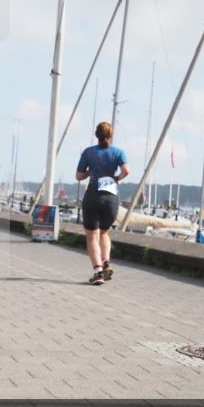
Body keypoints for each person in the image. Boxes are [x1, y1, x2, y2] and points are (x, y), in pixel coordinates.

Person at [76, 122, 130, 286]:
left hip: (93, 194)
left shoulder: (88, 152)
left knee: (92, 236)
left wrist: (89, 173)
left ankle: (98, 272)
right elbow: (126, 170)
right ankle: (106, 261)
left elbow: (79, 176)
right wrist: (116, 179)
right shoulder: (118, 152)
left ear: (96, 135)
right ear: (110, 135)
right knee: (104, 233)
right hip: (111, 196)